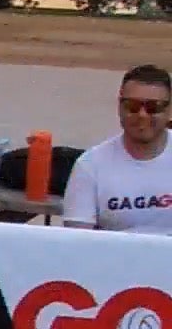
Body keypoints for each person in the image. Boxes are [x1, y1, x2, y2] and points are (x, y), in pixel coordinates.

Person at [55, 62, 172, 232]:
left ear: (169, 110)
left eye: (153, 107)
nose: (142, 115)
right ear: (119, 107)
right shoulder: (90, 166)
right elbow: (77, 239)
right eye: (132, 106)